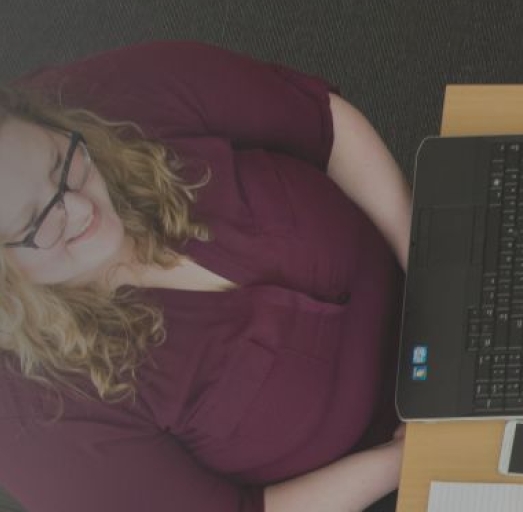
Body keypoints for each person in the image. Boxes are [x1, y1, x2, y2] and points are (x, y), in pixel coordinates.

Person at [0, 42, 410, 511]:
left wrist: (426, 255)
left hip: (424, 270)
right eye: (37, 222)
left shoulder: (101, 100)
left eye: (61, 164)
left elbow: (323, 124)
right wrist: (399, 460)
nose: (77, 208)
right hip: (380, 473)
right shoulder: (33, 420)